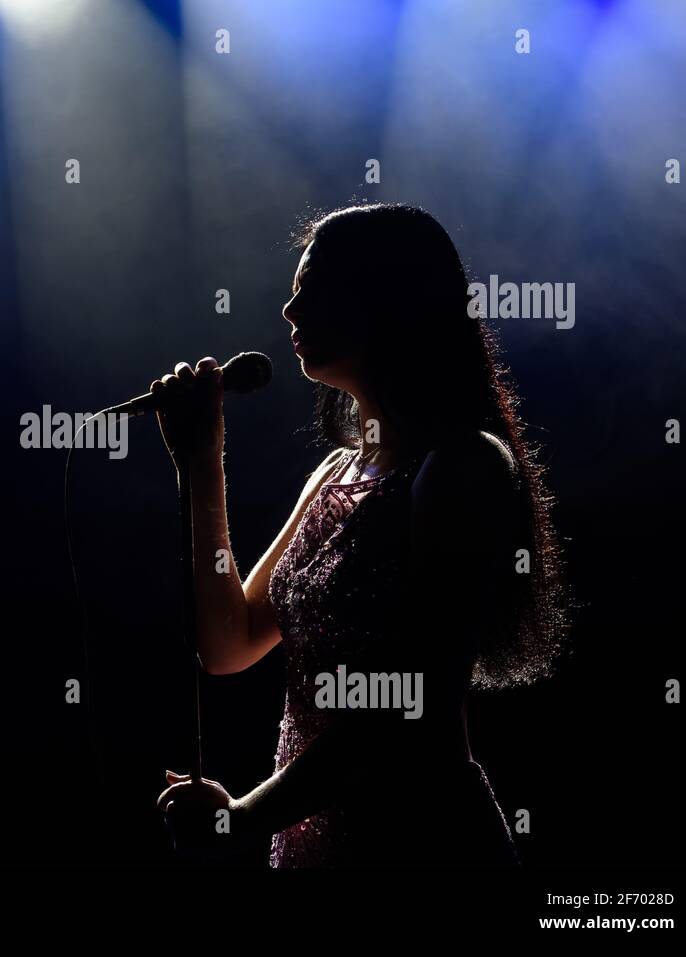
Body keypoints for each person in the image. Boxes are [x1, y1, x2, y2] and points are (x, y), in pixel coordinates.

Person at [152, 203, 566, 867]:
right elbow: (227, 641)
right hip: (316, 848)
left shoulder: (463, 465)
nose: (289, 311)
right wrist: (200, 461)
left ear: (387, 298)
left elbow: (412, 703)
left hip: (422, 848)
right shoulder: (336, 471)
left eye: (312, 288)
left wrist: (243, 816)